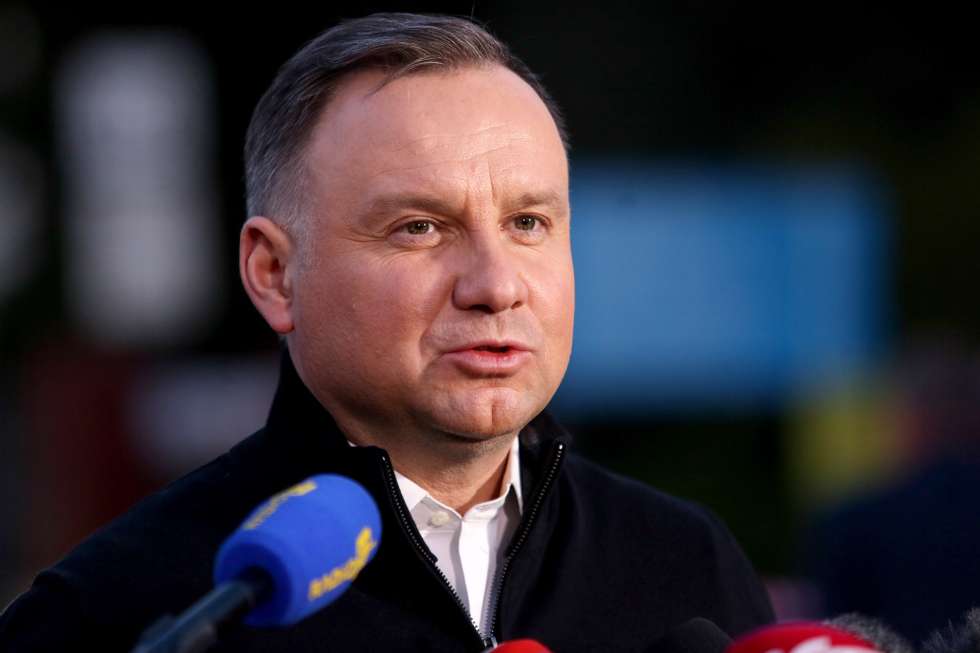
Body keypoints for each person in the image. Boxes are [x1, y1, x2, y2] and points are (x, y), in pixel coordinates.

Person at [0, 13, 773, 651]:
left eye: (528, 222)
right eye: (419, 228)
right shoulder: (127, 608)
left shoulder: (683, 564)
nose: (495, 285)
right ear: (273, 273)